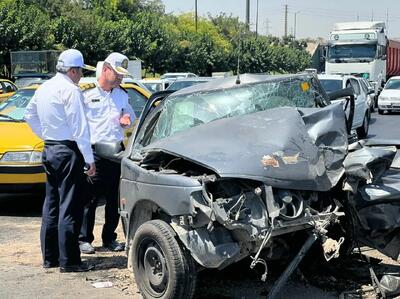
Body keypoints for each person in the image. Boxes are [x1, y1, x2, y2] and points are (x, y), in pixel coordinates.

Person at [24, 49, 96, 273]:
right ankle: (70, 261)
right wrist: (89, 159)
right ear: (73, 70)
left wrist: (46, 136)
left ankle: (50, 257)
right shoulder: (71, 90)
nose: (81, 76)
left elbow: (29, 115)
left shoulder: (44, 87)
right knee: (70, 206)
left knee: (51, 204)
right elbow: (79, 128)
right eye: (81, 71)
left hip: (50, 148)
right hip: (67, 150)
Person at [79, 52, 135, 254]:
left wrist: (127, 115)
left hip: (115, 151)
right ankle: (84, 238)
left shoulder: (121, 94)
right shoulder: (86, 93)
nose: (121, 77)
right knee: (90, 198)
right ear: (106, 69)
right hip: (93, 152)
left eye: (123, 75)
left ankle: (109, 238)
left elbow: (130, 112)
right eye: (118, 73)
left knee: (114, 198)